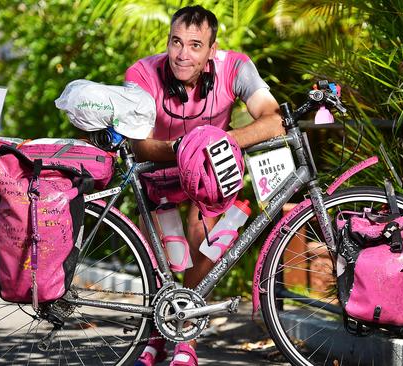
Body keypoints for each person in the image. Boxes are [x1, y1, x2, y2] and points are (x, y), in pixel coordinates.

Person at [124, 5, 284, 366]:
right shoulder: (142, 73)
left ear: (212, 50)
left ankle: (186, 339)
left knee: (206, 247)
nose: (183, 54)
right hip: (159, 176)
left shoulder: (236, 67)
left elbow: (274, 119)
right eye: (176, 42)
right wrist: (184, 148)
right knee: (163, 264)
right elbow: (139, 144)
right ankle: (155, 337)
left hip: (207, 180)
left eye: (195, 45)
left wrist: (221, 142)